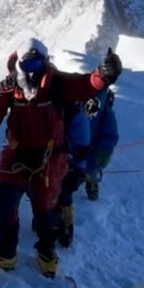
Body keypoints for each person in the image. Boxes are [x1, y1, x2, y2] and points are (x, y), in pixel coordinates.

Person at [0, 41, 121, 277]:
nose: (32, 72)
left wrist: (103, 75)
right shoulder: (10, 86)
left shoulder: (58, 84)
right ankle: (6, 251)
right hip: (16, 154)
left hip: (50, 158)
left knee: (46, 209)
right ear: (18, 65)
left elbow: (85, 84)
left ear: (45, 63)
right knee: (2, 202)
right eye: (27, 65)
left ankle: (46, 251)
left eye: (37, 64)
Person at [54, 100, 92, 248]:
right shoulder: (49, 108)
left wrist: (76, 168)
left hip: (71, 166)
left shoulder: (77, 116)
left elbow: (82, 147)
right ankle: (44, 221)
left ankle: (66, 229)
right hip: (51, 163)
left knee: (64, 194)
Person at [79, 88, 120, 201]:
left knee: (91, 166)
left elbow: (110, 130)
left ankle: (91, 182)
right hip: (72, 146)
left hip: (92, 147)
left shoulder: (102, 102)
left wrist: (106, 150)